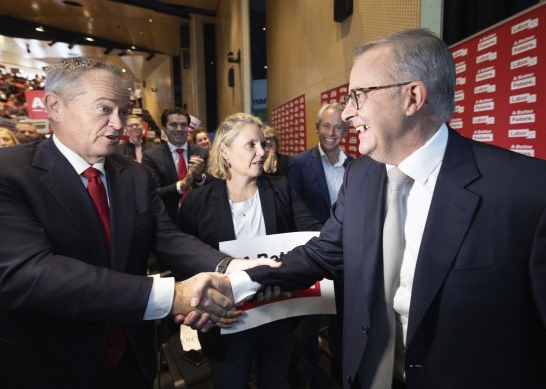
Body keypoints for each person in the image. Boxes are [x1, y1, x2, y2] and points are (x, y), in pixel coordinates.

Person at [230, 29, 546, 388]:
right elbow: (323, 252)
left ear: (412, 97)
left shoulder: (528, 193)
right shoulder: (361, 174)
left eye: (358, 96)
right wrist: (238, 282)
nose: (348, 113)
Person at [0, 57, 276, 389]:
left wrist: (231, 265)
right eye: (104, 109)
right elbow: (29, 274)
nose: (118, 124)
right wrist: (172, 295)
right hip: (35, 364)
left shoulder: (135, 175)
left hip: (127, 360)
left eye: (123, 112)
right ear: (54, 105)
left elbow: (168, 236)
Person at [177, 113, 322, 389]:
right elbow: (184, 259)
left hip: (276, 318)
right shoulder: (198, 202)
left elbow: (313, 236)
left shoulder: (281, 188)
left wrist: (278, 280)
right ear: (225, 150)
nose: (262, 152)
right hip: (227, 324)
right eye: (251, 145)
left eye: (264, 144)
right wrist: (206, 304)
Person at [286, 102, 353, 387]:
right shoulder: (299, 164)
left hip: (346, 257)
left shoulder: (357, 166)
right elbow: (292, 209)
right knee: (310, 321)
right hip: (312, 253)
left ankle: (341, 369)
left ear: (346, 131)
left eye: (338, 127)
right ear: (317, 128)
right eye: (326, 126)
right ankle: (306, 374)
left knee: (343, 318)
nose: (331, 132)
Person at [142, 107, 208, 222]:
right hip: (168, 219)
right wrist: (183, 184)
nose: (179, 129)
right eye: (173, 125)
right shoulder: (151, 157)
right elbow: (153, 193)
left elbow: (211, 187)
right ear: (164, 129)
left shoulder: (201, 153)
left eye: (183, 125)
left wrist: (199, 178)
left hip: (200, 217)